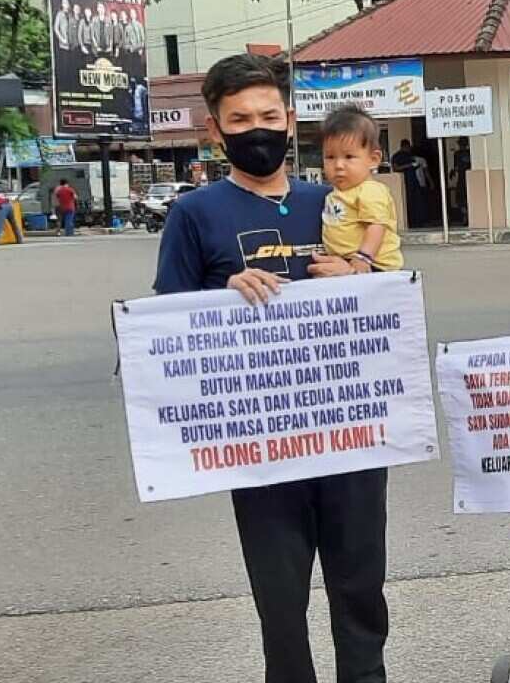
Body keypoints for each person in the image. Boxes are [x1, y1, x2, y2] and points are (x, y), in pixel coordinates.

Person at [153, 53, 389, 683]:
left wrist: (360, 271)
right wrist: (222, 293)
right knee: (281, 601)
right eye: (239, 119)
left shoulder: (336, 200)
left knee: (361, 587)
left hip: (350, 432)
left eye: (268, 115)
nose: (256, 128)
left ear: (289, 119)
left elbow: (394, 299)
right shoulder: (194, 215)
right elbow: (165, 326)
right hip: (262, 444)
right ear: (215, 130)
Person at [319, 105, 403, 272]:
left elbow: (376, 226)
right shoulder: (337, 192)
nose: (338, 165)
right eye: (330, 157)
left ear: (373, 159)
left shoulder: (370, 191)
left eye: (349, 157)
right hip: (347, 261)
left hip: (373, 265)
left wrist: (363, 257)